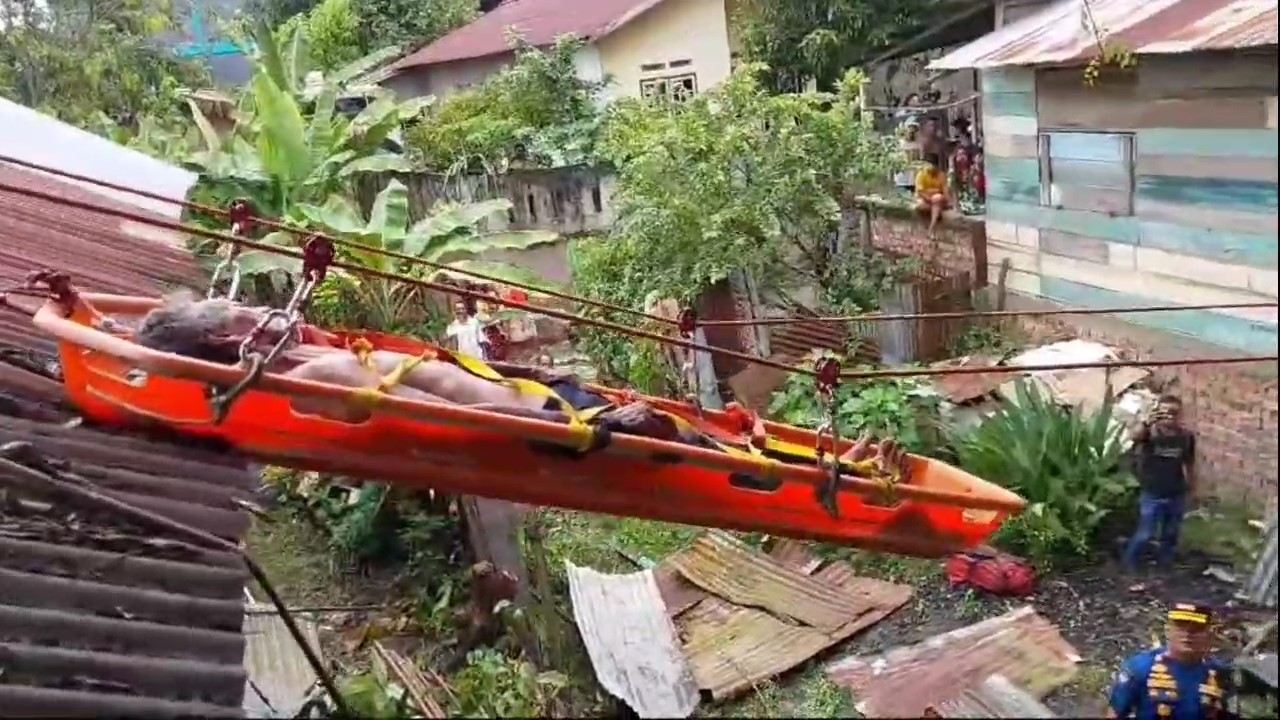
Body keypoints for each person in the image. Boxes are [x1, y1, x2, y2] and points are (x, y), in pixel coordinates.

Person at [131, 293, 690, 443]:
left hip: (547, 400)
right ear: (232, 337)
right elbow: (445, 417)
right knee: (714, 451)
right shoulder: (313, 379)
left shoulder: (306, 355)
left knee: (711, 436)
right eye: (248, 313)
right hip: (553, 423)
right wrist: (582, 432)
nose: (268, 312)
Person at [1106, 601, 1235, 719]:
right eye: (1180, 626)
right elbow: (1115, 713)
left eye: (1197, 628)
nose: (1187, 634)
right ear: (1168, 630)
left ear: (1210, 634)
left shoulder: (1218, 673)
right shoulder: (1141, 668)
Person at [1123, 394, 1197, 569]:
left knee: (1171, 533)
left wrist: (1192, 488)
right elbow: (1133, 437)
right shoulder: (1150, 433)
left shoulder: (1186, 437)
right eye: (1164, 412)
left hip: (1176, 492)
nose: (1170, 416)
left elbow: (1189, 463)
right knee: (1145, 534)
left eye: (1174, 412)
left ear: (1180, 415)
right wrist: (1147, 422)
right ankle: (1129, 564)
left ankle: (1165, 564)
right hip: (1152, 493)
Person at [914, 152, 951, 237]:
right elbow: (920, 191)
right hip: (925, 200)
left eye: (932, 165)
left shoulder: (941, 175)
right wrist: (930, 199)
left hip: (938, 199)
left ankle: (932, 227)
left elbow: (945, 191)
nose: (930, 167)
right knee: (920, 206)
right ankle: (929, 227)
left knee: (937, 199)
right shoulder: (921, 174)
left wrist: (946, 200)